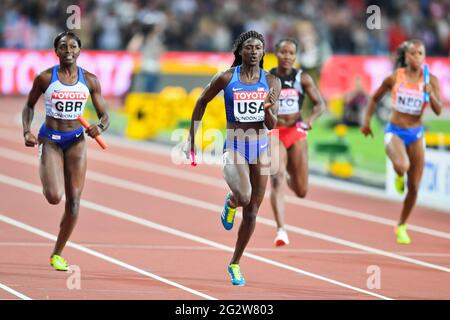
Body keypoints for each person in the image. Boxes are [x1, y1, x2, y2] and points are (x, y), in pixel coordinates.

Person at [185, 31, 281, 286]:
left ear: (263, 53)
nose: (253, 52)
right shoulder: (227, 78)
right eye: (248, 47)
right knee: (244, 196)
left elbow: (272, 124)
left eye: (258, 48)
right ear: (239, 51)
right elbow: (201, 101)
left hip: (260, 147)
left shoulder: (271, 81)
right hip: (235, 146)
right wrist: (191, 139)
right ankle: (231, 201)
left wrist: (268, 109)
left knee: (252, 213)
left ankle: (235, 263)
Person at [22, 31, 110, 270]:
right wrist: (26, 131)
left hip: (76, 141)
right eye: (63, 47)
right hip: (50, 139)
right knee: (53, 197)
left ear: (79, 51)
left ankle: (56, 254)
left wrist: (99, 126)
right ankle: (49, 169)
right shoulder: (44, 78)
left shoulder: (90, 80)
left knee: (73, 203)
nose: (68, 50)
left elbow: (105, 116)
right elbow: (28, 106)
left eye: (73, 46)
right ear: (56, 51)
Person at [361, 39, 442, 245]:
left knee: (414, 187)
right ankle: (399, 174)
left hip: (416, 133)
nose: (416, 57)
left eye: (420, 53)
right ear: (405, 57)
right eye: (412, 53)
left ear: (425, 56)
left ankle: (402, 225)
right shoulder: (395, 78)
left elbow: (438, 110)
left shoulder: (430, 80)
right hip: (395, 130)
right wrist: (366, 122)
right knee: (403, 165)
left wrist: (430, 94)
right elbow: (374, 98)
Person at [269, 38, 326, 247]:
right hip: (274, 132)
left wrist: (309, 121)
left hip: (295, 130)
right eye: (283, 52)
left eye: (291, 53)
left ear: (296, 56)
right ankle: (281, 230)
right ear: (276, 53)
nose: (287, 57)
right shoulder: (267, 78)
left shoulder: (303, 79)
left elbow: (320, 104)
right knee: (276, 177)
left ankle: (291, 174)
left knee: (302, 191)